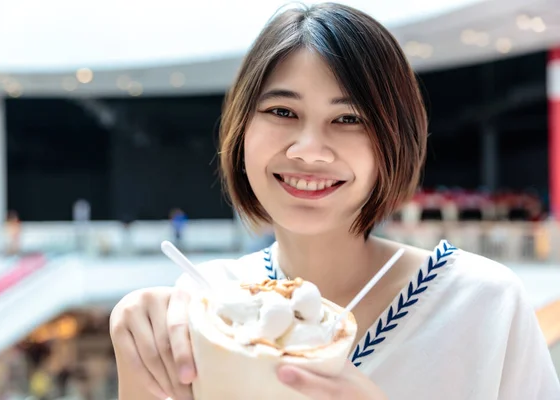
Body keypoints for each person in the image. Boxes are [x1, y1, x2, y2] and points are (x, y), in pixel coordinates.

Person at [109, 3, 560, 399]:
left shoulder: (482, 304)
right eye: (282, 112)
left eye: (348, 118)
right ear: (242, 128)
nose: (308, 149)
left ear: (393, 140)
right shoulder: (207, 301)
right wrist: (136, 367)